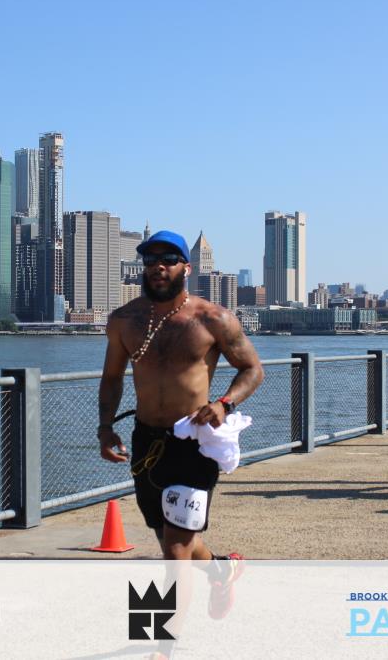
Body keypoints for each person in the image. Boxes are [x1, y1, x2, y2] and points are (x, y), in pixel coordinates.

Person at [98, 229, 264, 613]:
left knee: (175, 551)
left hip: (193, 445)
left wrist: (224, 403)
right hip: (146, 443)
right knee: (170, 538)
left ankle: (164, 641)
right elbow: (111, 378)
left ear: (186, 267)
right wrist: (105, 428)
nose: (158, 266)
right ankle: (221, 570)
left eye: (169, 259)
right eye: (150, 259)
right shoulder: (124, 320)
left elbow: (252, 369)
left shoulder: (213, 318)